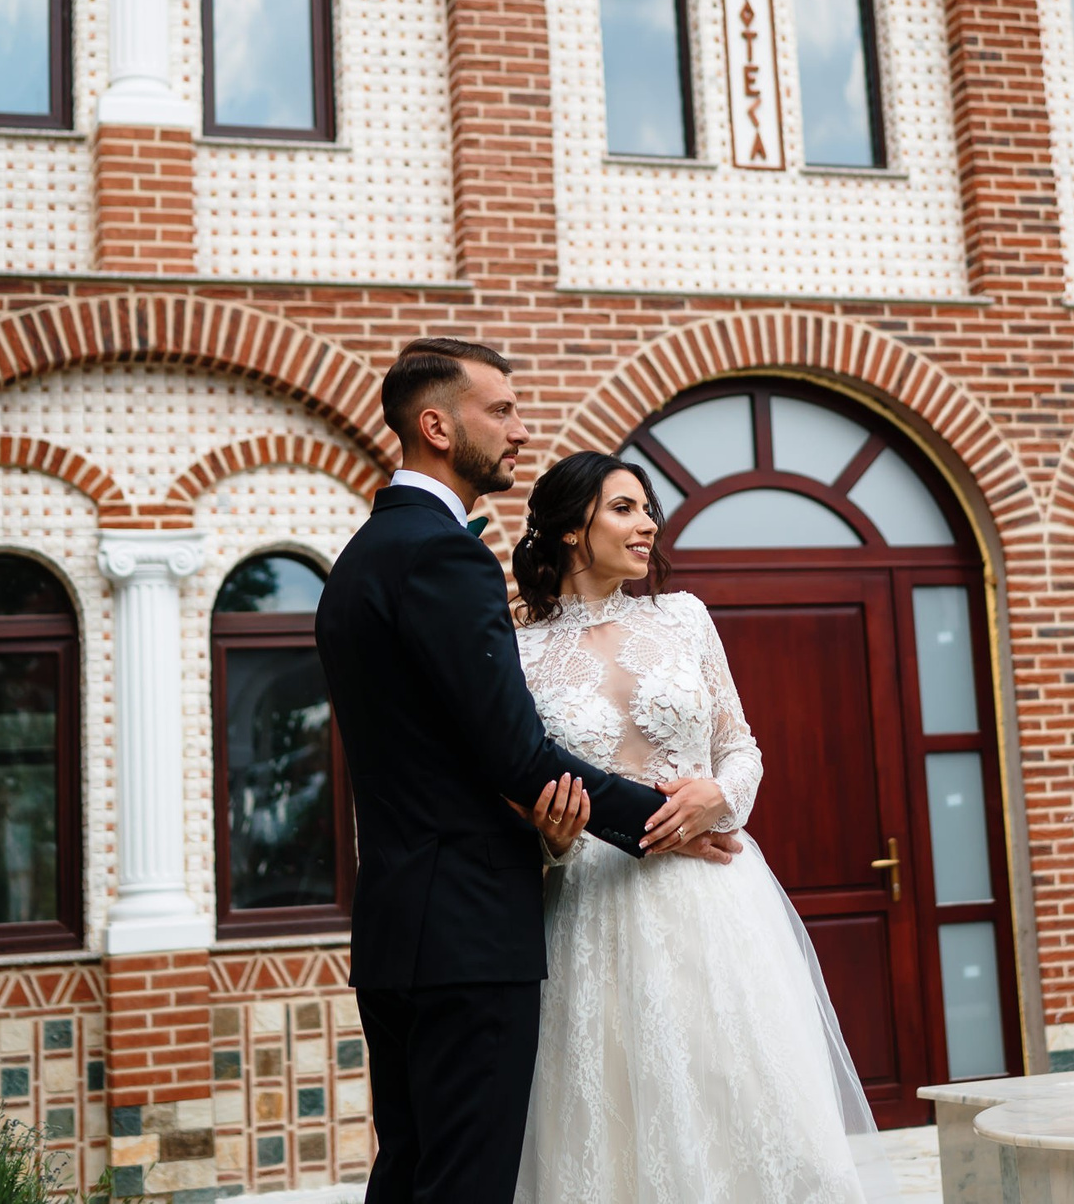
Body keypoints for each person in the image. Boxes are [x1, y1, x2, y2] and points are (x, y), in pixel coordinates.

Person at [314, 338, 737, 1204]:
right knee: (466, 1182)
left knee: (410, 1174)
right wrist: (658, 823)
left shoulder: (358, 561)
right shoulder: (444, 555)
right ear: (437, 425)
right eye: (500, 410)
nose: (519, 429)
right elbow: (515, 753)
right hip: (469, 929)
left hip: (397, 926)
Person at [507, 450, 890, 1204]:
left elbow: (740, 744)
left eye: (648, 508)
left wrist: (719, 796)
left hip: (713, 902)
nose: (647, 522)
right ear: (569, 529)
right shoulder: (519, 650)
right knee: (620, 1117)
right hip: (593, 911)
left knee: (744, 1098)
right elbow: (521, 787)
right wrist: (552, 840)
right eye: (624, 507)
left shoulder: (683, 617)